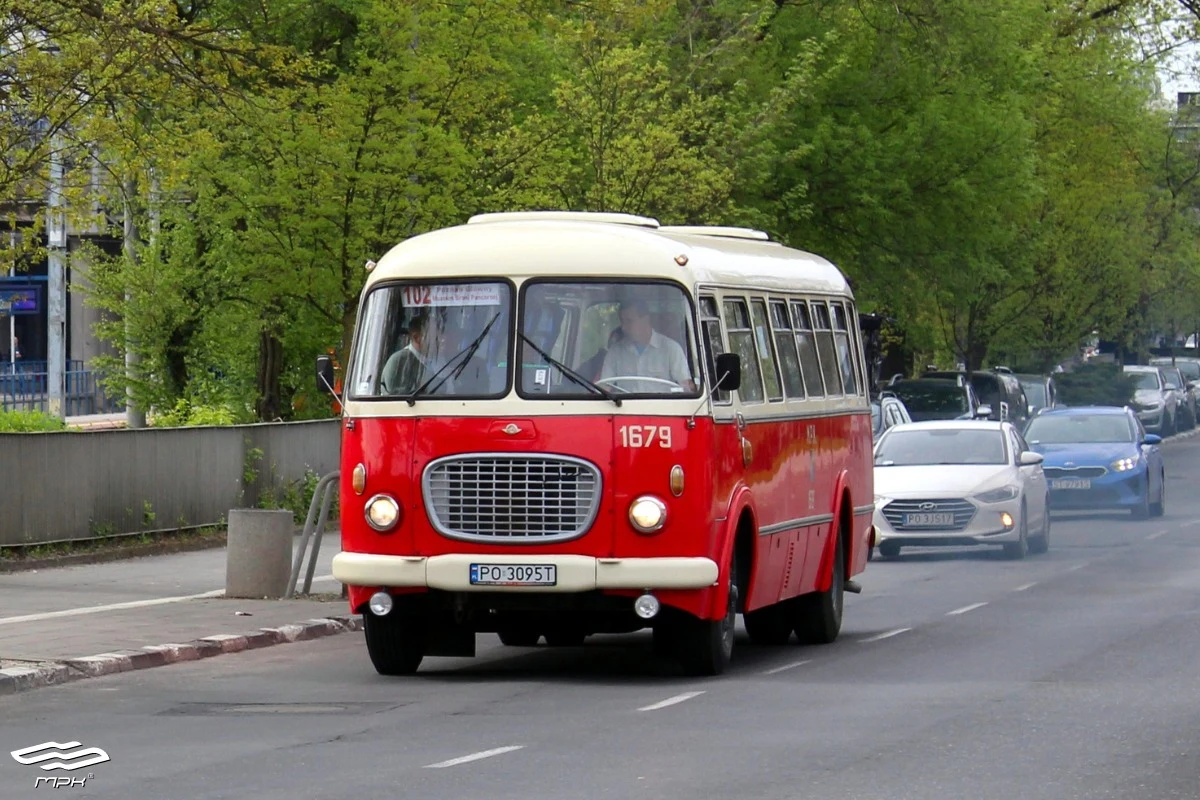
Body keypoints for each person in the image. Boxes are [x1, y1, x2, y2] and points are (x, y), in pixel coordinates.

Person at [599, 299, 696, 392]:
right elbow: (605, 387)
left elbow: (686, 386)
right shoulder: (615, 352)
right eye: (622, 322)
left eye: (629, 321)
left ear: (645, 320)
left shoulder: (671, 349)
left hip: (663, 403)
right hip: (623, 403)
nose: (623, 328)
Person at [381, 314, 440, 396]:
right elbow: (397, 399)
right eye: (435, 337)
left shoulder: (440, 360)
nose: (441, 340)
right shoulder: (399, 362)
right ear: (416, 338)